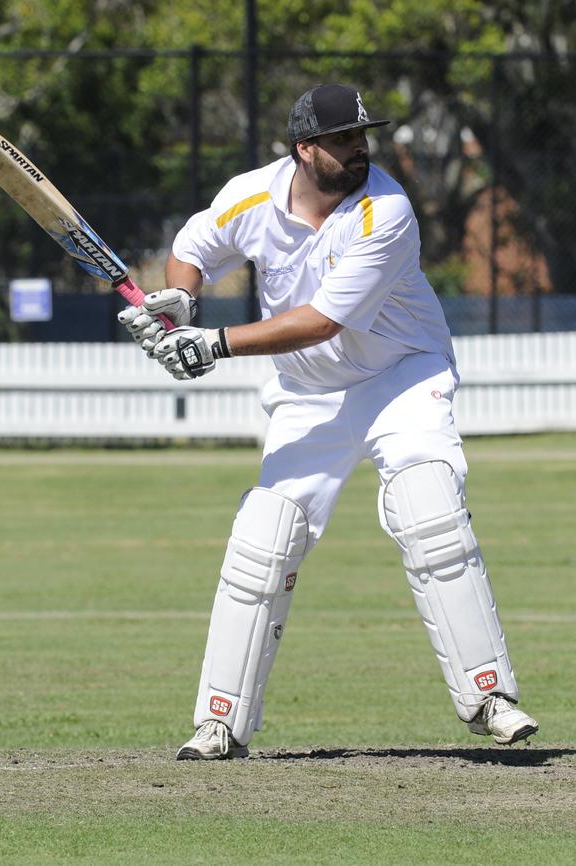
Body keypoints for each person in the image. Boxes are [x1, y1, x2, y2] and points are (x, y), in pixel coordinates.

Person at [119, 83, 539, 759]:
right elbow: (193, 245)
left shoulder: (387, 212)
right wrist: (182, 298)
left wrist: (215, 344)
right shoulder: (252, 195)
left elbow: (323, 321)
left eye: (363, 135)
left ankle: (489, 696)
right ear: (304, 149)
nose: (360, 148)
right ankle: (220, 722)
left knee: (427, 506)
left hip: (400, 375)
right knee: (264, 538)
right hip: (308, 394)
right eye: (344, 139)